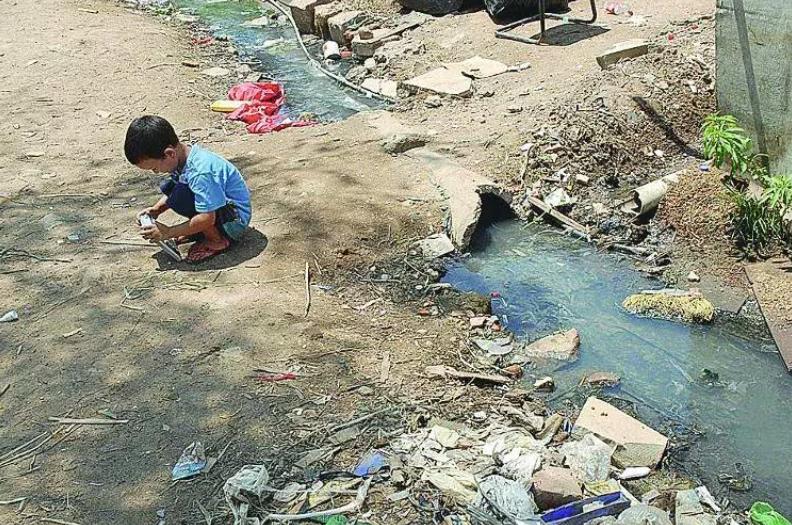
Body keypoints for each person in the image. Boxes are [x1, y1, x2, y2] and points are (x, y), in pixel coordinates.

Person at [124, 115, 252, 263]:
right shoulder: (182, 159)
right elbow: (177, 187)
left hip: (235, 221)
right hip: (221, 210)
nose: (156, 172)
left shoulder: (200, 172)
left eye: (154, 168)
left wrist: (168, 232)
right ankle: (203, 231)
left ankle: (217, 240)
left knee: (183, 197)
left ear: (169, 154)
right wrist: (157, 209)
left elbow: (206, 217)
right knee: (176, 191)